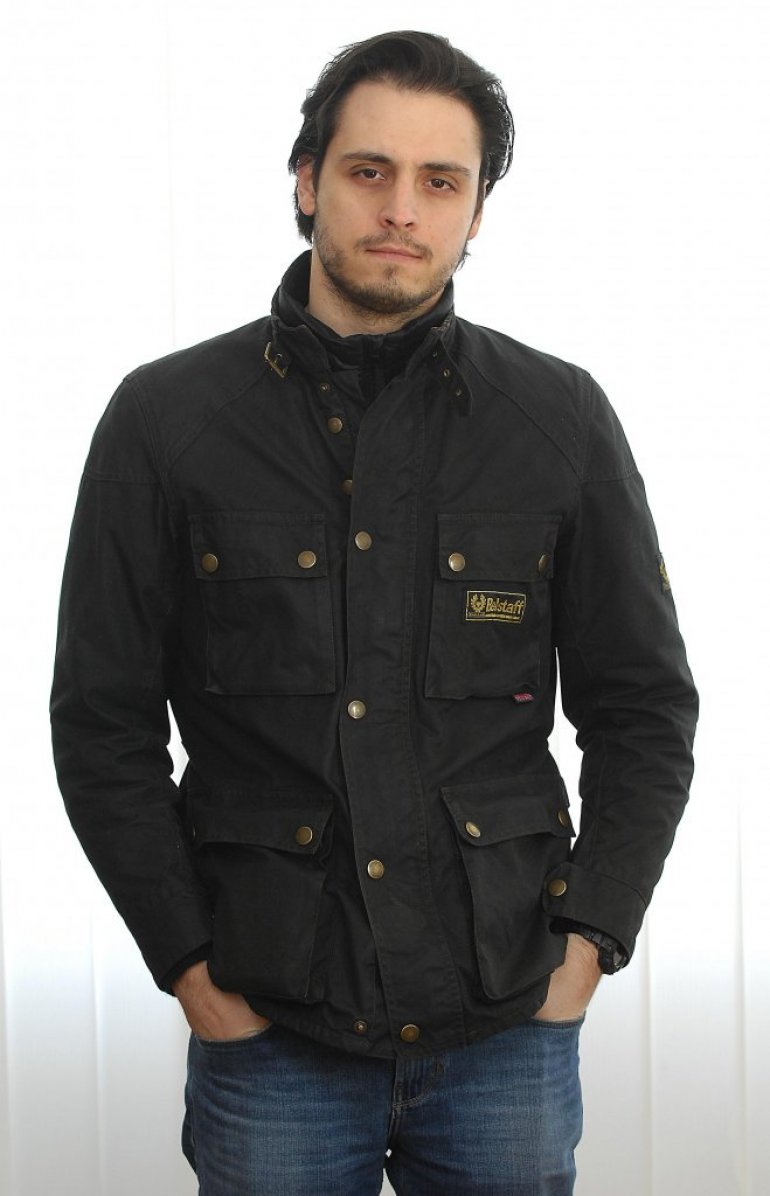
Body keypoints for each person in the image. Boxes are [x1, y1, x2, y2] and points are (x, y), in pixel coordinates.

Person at [50, 29, 698, 1196]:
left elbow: (642, 706)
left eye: (440, 181)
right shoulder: (164, 420)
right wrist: (191, 967)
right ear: (306, 181)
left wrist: (587, 944)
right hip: (269, 1027)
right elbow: (101, 722)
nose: (402, 209)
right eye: (368, 171)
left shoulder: (557, 418)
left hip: (506, 1020)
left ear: (475, 211)